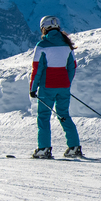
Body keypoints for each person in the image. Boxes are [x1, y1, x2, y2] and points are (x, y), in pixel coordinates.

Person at [29, 15, 83, 159]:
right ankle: (74, 147)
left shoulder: (42, 45)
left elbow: (37, 69)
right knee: (64, 114)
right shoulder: (67, 44)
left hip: (47, 86)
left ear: (44, 28)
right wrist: (66, 83)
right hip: (63, 86)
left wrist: (33, 88)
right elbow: (72, 67)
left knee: (44, 117)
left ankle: (44, 149)